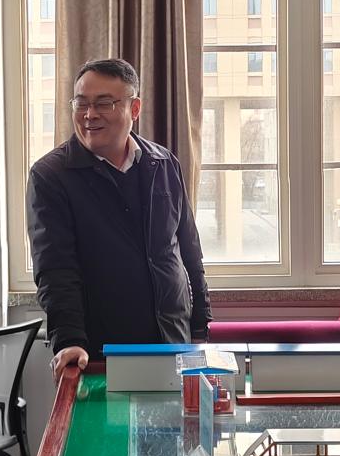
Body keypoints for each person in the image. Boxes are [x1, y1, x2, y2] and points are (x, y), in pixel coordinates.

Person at [26, 57, 211, 383]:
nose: (89, 114)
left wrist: (200, 326)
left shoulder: (163, 163)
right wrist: (69, 340)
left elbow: (188, 251)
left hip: (173, 343)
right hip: (101, 354)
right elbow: (55, 270)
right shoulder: (52, 176)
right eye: (81, 103)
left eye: (103, 104)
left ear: (134, 108)